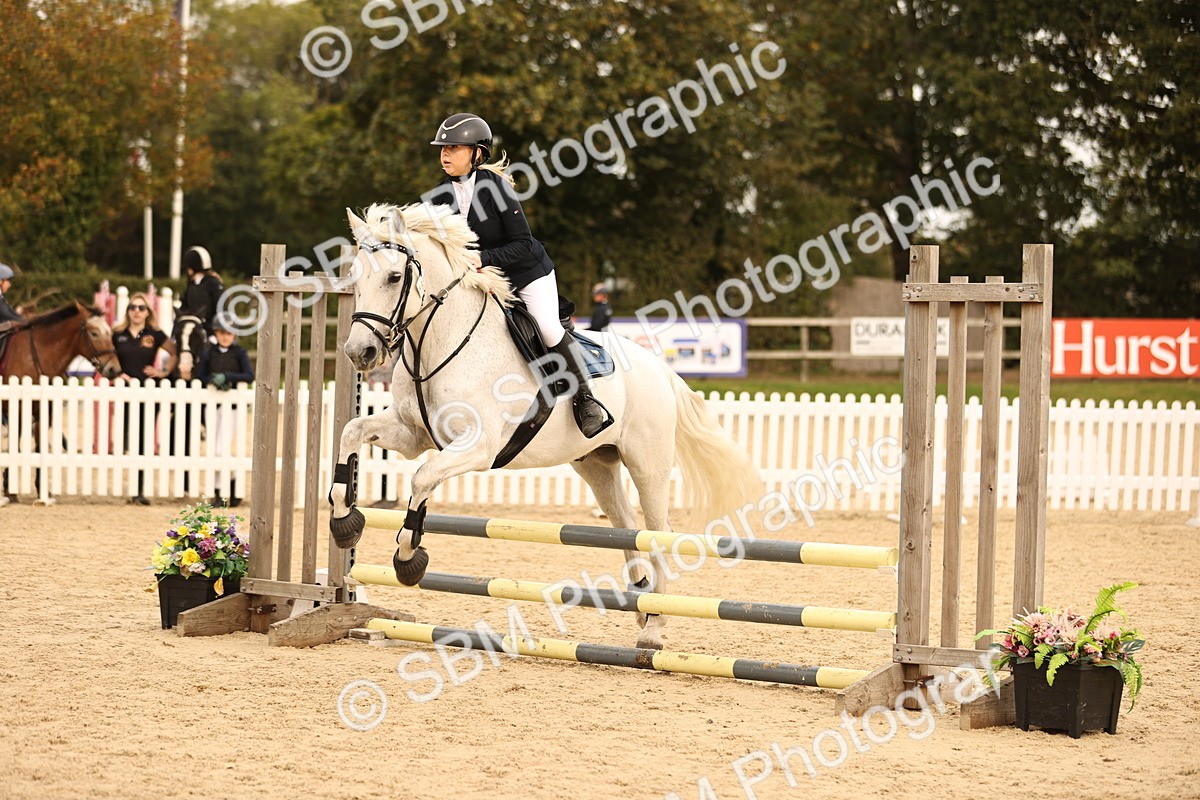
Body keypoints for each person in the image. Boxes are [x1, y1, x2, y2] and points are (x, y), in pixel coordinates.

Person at [426, 112, 613, 438]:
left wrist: (483, 257)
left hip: (527, 272)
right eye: (443, 147)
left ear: (477, 153)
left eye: (454, 147)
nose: (444, 154)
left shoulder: (496, 188)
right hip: (485, 279)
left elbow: (523, 244)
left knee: (546, 325)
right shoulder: (438, 195)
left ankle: (586, 399)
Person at [113, 293, 178, 505]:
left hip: (148, 393)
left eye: (141, 308)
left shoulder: (155, 334)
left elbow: (175, 352)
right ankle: (128, 484)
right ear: (127, 310)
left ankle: (139, 489)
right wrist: (117, 375)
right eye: (133, 307)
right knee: (125, 437)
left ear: (148, 312)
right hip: (124, 391)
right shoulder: (117, 334)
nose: (137, 311)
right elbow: (104, 357)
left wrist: (163, 371)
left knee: (142, 438)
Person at [195, 314, 253, 507]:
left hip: (233, 407)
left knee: (221, 449)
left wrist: (227, 377)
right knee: (214, 449)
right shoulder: (209, 352)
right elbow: (199, 374)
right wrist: (213, 379)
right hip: (212, 406)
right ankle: (225, 487)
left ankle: (224, 488)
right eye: (221, 333)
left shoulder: (239, 352)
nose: (225, 336)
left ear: (234, 334)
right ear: (216, 333)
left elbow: (249, 375)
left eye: (229, 333)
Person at [179, 246, 224, 336]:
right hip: (194, 328)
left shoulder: (212, 283)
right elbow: (185, 307)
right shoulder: (192, 285)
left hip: (211, 330)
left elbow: (220, 307)